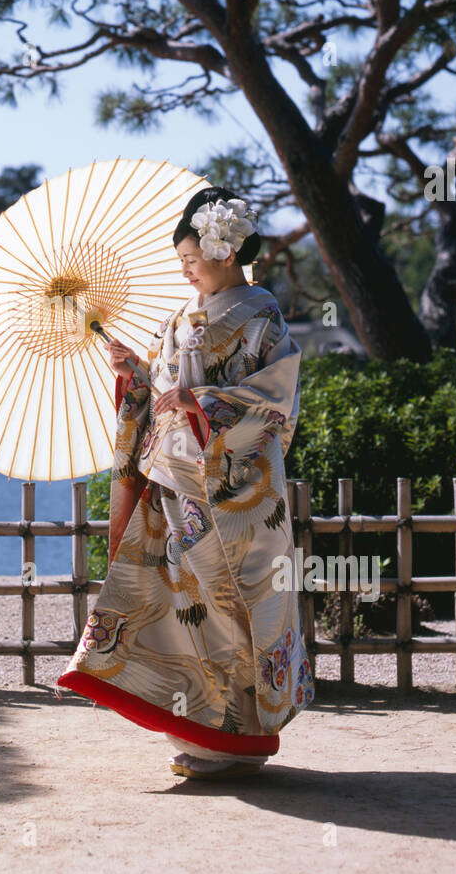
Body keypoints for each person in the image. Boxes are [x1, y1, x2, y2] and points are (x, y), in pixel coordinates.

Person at [56, 186, 314, 780]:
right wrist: (136, 376)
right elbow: (163, 388)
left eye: (191, 261)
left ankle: (234, 736)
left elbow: (275, 397)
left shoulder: (260, 313)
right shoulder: (179, 316)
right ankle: (200, 728)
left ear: (226, 253)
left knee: (230, 606)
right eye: (182, 263)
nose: (186, 271)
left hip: (231, 490)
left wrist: (203, 398)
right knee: (177, 602)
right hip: (173, 482)